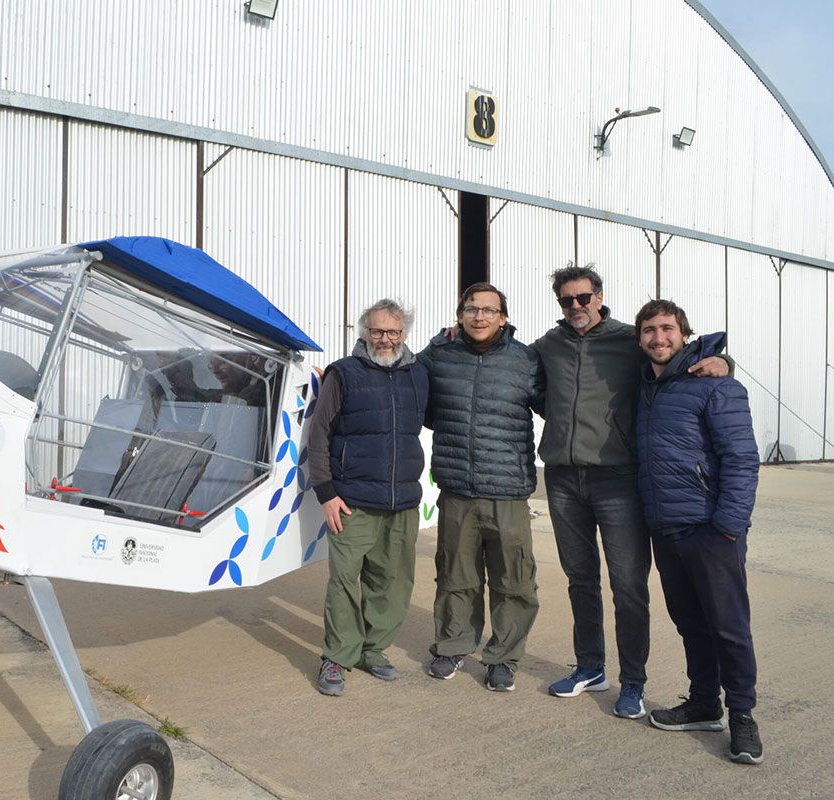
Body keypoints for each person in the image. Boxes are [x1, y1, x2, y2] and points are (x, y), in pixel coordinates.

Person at [534, 264, 730, 719]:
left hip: (617, 479)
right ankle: (589, 667)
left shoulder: (630, 340)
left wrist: (725, 361)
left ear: (599, 296)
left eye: (583, 297)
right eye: (567, 300)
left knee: (628, 585)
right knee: (580, 579)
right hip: (563, 478)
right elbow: (515, 367)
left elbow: (680, 358)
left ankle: (633, 681)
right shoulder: (550, 345)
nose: (576, 306)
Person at [633, 299, 763, 765]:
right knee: (690, 624)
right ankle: (705, 703)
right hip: (665, 528)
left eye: (667, 328)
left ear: (685, 335)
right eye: (648, 330)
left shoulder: (715, 385)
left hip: (710, 529)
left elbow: (742, 459)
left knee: (729, 627)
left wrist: (728, 526)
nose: (658, 337)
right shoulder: (646, 385)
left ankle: (743, 717)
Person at [420, 283, 544, 692]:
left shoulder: (526, 361)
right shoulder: (439, 357)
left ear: (504, 318)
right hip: (458, 489)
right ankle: (454, 644)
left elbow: (567, 402)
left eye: (489, 310)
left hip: (508, 490)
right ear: (459, 315)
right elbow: (398, 379)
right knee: (456, 575)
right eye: (471, 308)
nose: (479, 316)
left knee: (514, 580)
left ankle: (503, 657)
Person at [307, 299, 429, 696]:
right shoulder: (343, 374)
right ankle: (337, 658)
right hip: (352, 499)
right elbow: (319, 435)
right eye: (377, 331)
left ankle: (372, 650)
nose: (385, 339)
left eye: (393, 332)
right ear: (364, 332)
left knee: (392, 583)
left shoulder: (418, 374)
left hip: (402, 500)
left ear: (404, 334)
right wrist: (326, 492)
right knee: (344, 581)